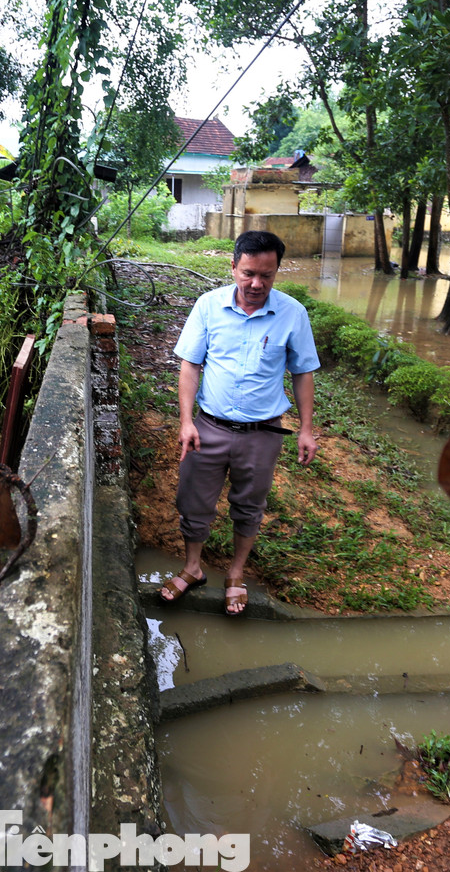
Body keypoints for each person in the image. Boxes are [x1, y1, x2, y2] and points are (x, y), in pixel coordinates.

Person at [158, 230, 320, 615]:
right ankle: (193, 567)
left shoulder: (292, 314)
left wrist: (306, 429)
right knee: (193, 501)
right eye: (248, 273)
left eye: (266, 275)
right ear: (233, 267)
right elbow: (190, 365)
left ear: (277, 272)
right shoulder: (208, 306)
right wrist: (186, 421)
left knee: (249, 505)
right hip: (208, 428)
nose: (256, 284)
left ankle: (235, 573)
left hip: (262, 434)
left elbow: (302, 373)